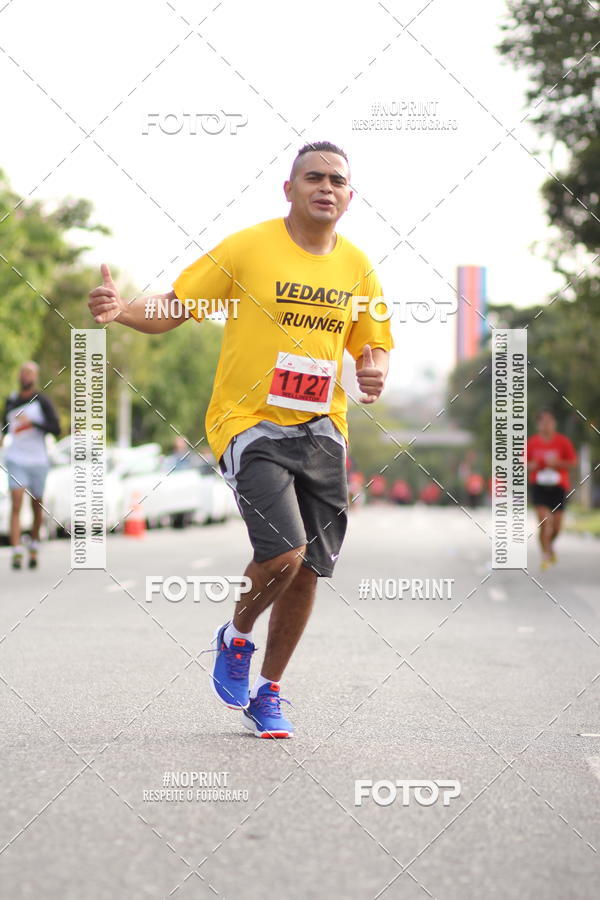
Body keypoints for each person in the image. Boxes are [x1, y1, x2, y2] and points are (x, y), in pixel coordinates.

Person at [88, 141, 393, 738]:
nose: (326, 187)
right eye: (313, 177)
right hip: (248, 421)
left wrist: (374, 369)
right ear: (289, 189)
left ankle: (269, 691)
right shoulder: (248, 248)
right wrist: (122, 310)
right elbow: (176, 306)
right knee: (285, 552)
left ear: (350, 197)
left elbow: (373, 342)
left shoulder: (358, 266)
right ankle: (236, 636)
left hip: (322, 428)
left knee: (310, 570)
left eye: (337, 180)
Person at [1, 362, 61, 569]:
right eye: (23, 373)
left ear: (35, 377)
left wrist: (32, 423)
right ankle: (16, 550)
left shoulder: (42, 401)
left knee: (36, 504)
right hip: (16, 459)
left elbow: (56, 428)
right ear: (19, 376)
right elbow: (5, 427)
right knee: (16, 502)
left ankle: (34, 543)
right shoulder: (11, 401)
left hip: (38, 460)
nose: (26, 376)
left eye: (30, 373)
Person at [526, 409, 577, 569]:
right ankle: (545, 554)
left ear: (554, 423)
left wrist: (557, 463)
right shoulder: (532, 443)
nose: (546, 425)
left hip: (559, 486)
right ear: (538, 424)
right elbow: (523, 464)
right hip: (539, 486)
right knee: (544, 521)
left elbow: (572, 463)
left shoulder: (563, 442)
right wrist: (533, 465)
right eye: (543, 422)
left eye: (549, 421)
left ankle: (549, 546)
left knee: (556, 526)